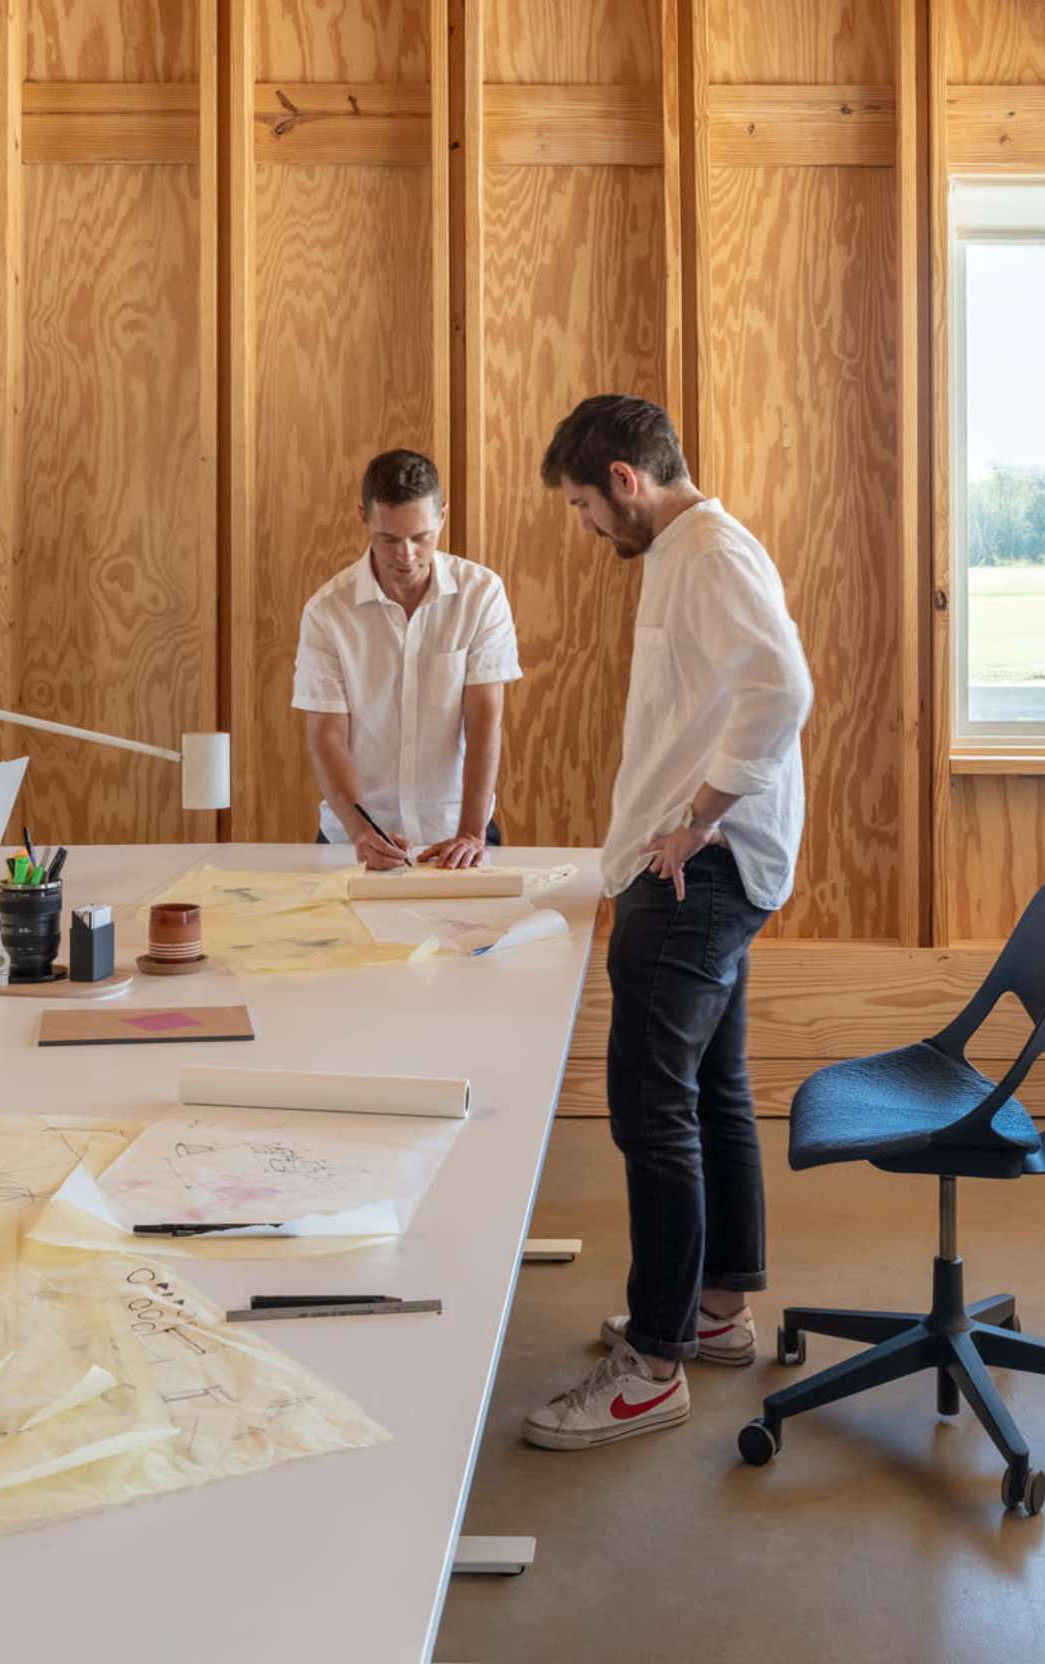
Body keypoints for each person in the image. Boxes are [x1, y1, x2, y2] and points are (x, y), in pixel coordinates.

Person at [521, 392, 812, 1453]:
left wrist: (692, 821)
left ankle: (651, 1369)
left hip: (699, 873)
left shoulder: (709, 556)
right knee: (709, 1087)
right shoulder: (691, 552)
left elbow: (784, 690)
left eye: (584, 506)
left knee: (651, 1111)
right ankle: (717, 1310)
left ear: (625, 482)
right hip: (710, 865)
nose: (586, 527)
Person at [291, 448, 518, 872]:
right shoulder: (327, 612)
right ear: (364, 518)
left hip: (457, 833)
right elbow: (327, 736)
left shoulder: (481, 595)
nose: (406, 555)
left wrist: (471, 831)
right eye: (389, 539)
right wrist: (364, 832)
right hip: (351, 840)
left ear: (443, 516)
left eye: (421, 537)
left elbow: (485, 718)